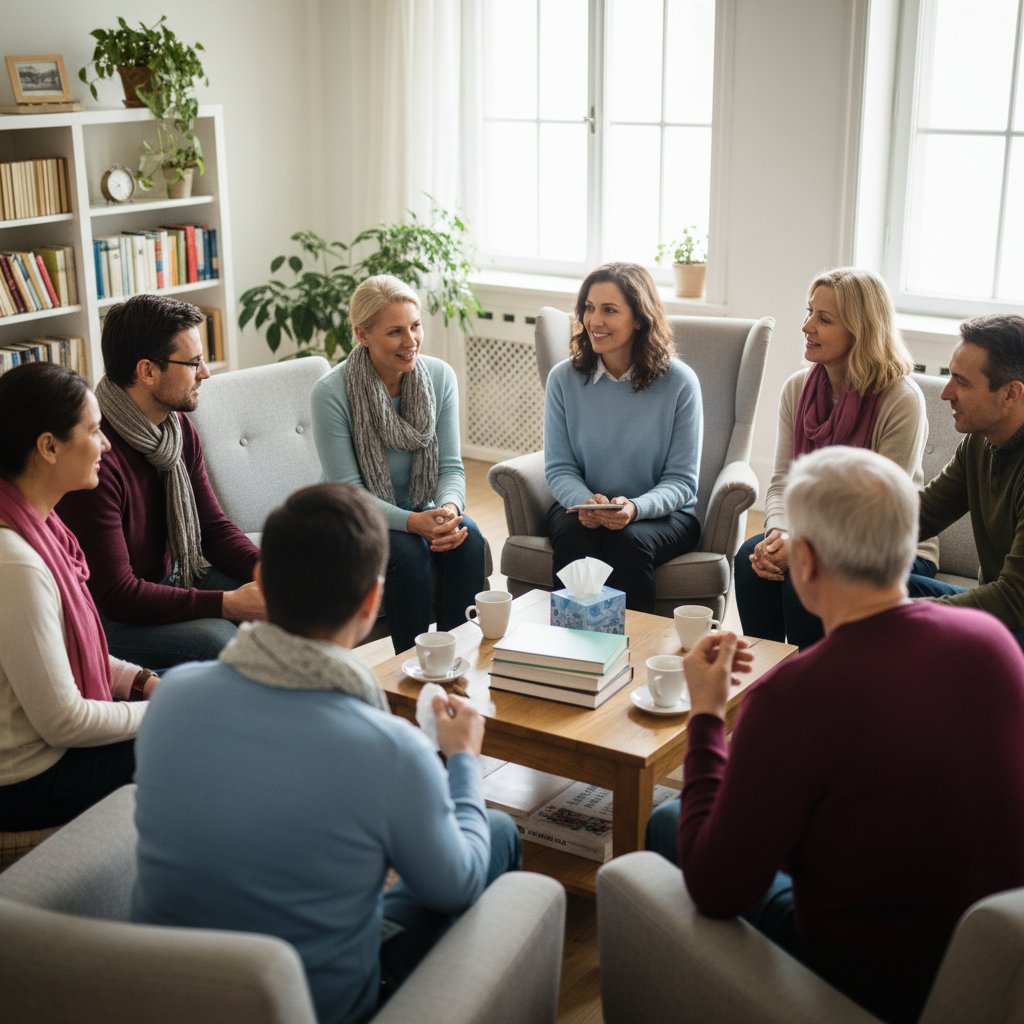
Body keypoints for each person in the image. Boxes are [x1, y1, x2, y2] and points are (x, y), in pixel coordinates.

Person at [646, 447, 1024, 1023]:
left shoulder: (790, 698)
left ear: (806, 561)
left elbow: (716, 888)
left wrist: (707, 716)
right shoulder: (994, 647)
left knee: (667, 823)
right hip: (992, 976)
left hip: (864, 985)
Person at [131, 483, 520, 1024]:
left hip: (162, 996)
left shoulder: (172, 698)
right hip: (318, 1007)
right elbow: (454, 885)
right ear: (371, 602)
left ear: (261, 579)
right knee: (497, 833)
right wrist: (462, 760)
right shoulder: (391, 749)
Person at [58, 294, 265, 669]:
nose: (205, 373)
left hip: (173, 578)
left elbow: (213, 529)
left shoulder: (177, 427)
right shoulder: (95, 458)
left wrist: (266, 570)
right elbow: (118, 594)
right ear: (147, 372)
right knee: (221, 640)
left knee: (289, 604)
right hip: (109, 614)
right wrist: (228, 603)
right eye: (193, 363)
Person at [734, 267, 938, 648]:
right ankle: (765, 674)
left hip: (888, 545)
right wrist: (778, 533)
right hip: (808, 533)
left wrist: (802, 544)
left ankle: (816, 675)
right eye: (809, 312)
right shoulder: (797, 389)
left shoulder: (901, 400)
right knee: (751, 559)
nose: (806, 326)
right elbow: (782, 483)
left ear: (861, 331)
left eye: (824, 319)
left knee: (807, 573)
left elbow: (877, 508)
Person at [0, 363, 157, 831]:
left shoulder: (40, 527)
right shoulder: (17, 563)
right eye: (93, 430)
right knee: (197, 732)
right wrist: (165, 709)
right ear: (48, 447)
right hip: (27, 781)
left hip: (51, 748)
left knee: (189, 691)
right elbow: (64, 722)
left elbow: (74, 653)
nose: (105, 444)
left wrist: (145, 684)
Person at [312, 274, 485, 654]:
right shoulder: (330, 393)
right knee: (408, 554)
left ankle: (458, 657)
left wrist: (448, 510)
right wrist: (413, 522)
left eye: (415, 326)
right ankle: (414, 665)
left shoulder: (439, 376)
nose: (411, 342)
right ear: (363, 335)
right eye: (395, 332)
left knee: (469, 539)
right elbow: (349, 491)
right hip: (353, 517)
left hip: (422, 506)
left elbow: (450, 467)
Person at [544, 262, 702, 613]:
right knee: (574, 535)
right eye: (589, 308)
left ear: (640, 319)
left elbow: (682, 481)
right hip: (583, 507)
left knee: (628, 542)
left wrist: (635, 508)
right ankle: (568, 641)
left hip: (662, 514)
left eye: (609, 310)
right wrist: (586, 503)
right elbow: (559, 468)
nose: (594, 321)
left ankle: (633, 644)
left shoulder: (680, 382)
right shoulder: (563, 379)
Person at [907, 314, 1024, 646]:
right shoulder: (979, 442)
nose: (946, 393)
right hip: (1004, 610)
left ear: (1011, 393)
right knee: (854, 583)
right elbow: (920, 515)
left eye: (962, 382)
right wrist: (825, 548)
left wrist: (909, 615)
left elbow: (1014, 598)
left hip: (1016, 614)